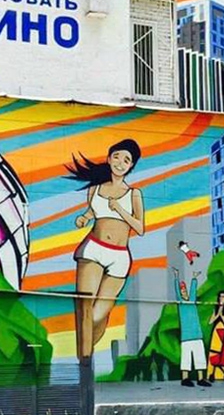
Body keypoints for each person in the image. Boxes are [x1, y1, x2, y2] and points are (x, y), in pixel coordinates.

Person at [67, 139, 146, 362]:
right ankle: (84, 366)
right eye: (117, 157)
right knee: (85, 309)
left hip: (119, 257)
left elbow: (140, 228)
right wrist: (84, 218)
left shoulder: (134, 194)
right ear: (109, 158)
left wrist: (120, 209)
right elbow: (94, 211)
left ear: (131, 166)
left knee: (98, 315)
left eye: (126, 160)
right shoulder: (95, 189)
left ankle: (86, 355)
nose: (120, 162)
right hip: (93, 249)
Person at [173, 267, 211, 387]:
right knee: (186, 359)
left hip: (197, 335)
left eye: (185, 291)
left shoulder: (192, 301)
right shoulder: (181, 303)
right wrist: (176, 277)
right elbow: (177, 292)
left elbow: (193, 291)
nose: (184, 292)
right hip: (186, 337)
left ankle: (201, 379)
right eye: (182, 291)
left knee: (200, 358)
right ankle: (185, 379)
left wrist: (194, 278)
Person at [207, 291, 224, 382]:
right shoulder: (215, 309)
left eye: (223, 296)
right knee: (214, 352)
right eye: (220, 296)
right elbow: (210, 321)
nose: (221, 298)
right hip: (216, 333)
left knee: (223, 353)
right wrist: (217, 314)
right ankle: (212, 373)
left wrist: (222, 314)